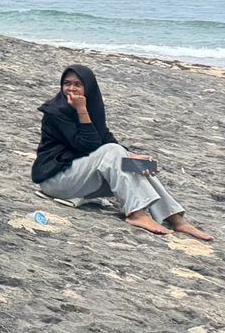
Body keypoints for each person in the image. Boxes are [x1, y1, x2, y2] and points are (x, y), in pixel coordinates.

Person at [33, 65, 211, 241]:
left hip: (79, 177)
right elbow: (89, 145)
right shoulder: (55, 112)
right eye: (67, 83)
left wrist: (130, 155)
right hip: (56, 180)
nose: (71, 89)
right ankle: (136, 214)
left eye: (77, 84)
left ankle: (175, 218)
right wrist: (81, 111)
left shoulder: (92, 106)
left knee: (135, 165)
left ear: (89, 87)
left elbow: (105, 137)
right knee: (115, 152)